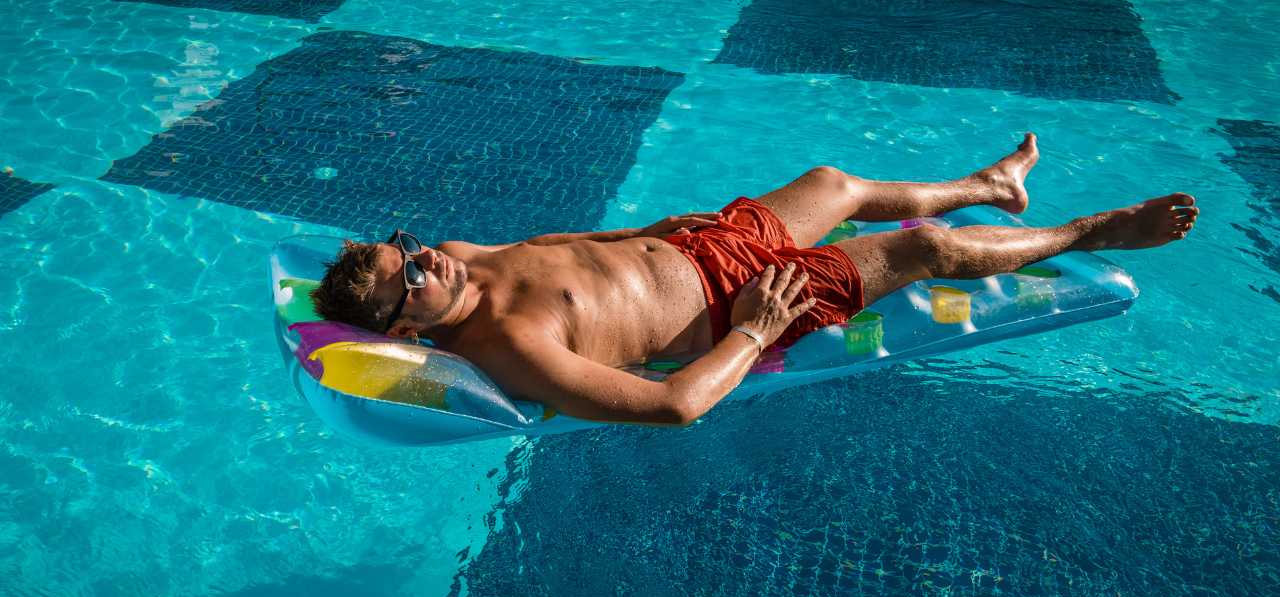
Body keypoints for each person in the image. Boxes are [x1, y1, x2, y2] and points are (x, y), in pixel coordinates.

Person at [311, 134, 1197, 426]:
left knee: (836, 184)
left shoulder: (462, 252)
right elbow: (672, 408)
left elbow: (574, 242)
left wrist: (655, 231)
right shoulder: (509, 348)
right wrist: (756, 329)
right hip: (738, 302)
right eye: (413, 280)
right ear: (406, 333)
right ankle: (1094, 229)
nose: (427, 259)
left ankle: (991, 186)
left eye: (409, 247)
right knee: (926, 253)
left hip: (704, 246)